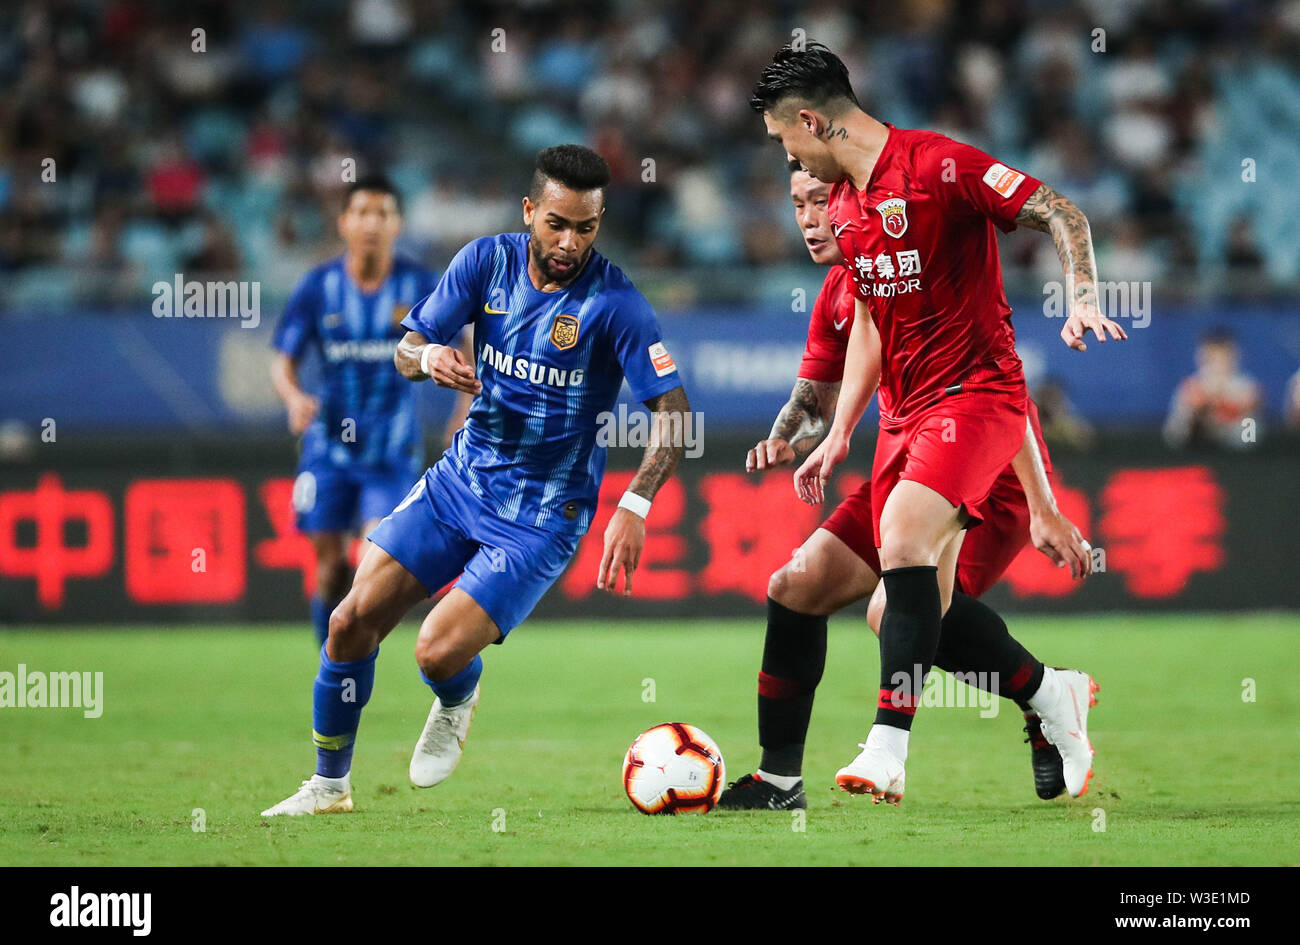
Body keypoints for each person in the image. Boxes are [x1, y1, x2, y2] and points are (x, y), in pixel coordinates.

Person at [263, 145, 691, 816]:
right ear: (529, 211)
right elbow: (407, 350)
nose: (569, 241)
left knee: (433, 653)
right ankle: (328, 786)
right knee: (348, 622)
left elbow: (675, 413)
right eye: (556, 223)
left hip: (542, 517)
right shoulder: (483, 262)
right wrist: (429, 354)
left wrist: (635, 503)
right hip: (460, 481)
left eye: (585, 227)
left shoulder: (617, 305)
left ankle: (458, 692)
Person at [752, 42, 1126, 804]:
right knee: (799, 583)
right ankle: (779, 779)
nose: (783, 156)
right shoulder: (852, 209)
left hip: (979, 400)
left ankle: (888, 749)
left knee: (902, 555)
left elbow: (1059, 209)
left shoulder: (938, 167)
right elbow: (870, 327)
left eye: (782, 138)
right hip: (907, 425)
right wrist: (839, 432)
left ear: (813, 122)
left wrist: (1082, 294)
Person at [271, 175, 469, 648]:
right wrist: (295, 398)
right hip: (327, 450)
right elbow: (283, 361)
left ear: (397, 224)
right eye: (362, 213)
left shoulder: (420, 283)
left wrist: (465, 406)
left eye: (383, 214)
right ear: (344, 222)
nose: (372, 223)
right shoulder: (318, 287)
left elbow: (468, 342)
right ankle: (330, 659)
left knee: (372, 559)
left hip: (391, 452)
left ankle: (348, 666)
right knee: (329, 567)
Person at [1162, 327, 1262, 450]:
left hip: (1233, 439)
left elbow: (1249, 411)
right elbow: (1176, 429)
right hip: (1198, 441)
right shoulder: (1193, 384)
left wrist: (1221, 404)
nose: (1219, 361)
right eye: (1213, 355)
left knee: (1250, 426)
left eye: (1224, 354)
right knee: (1183, 423)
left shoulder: (1246, 385)